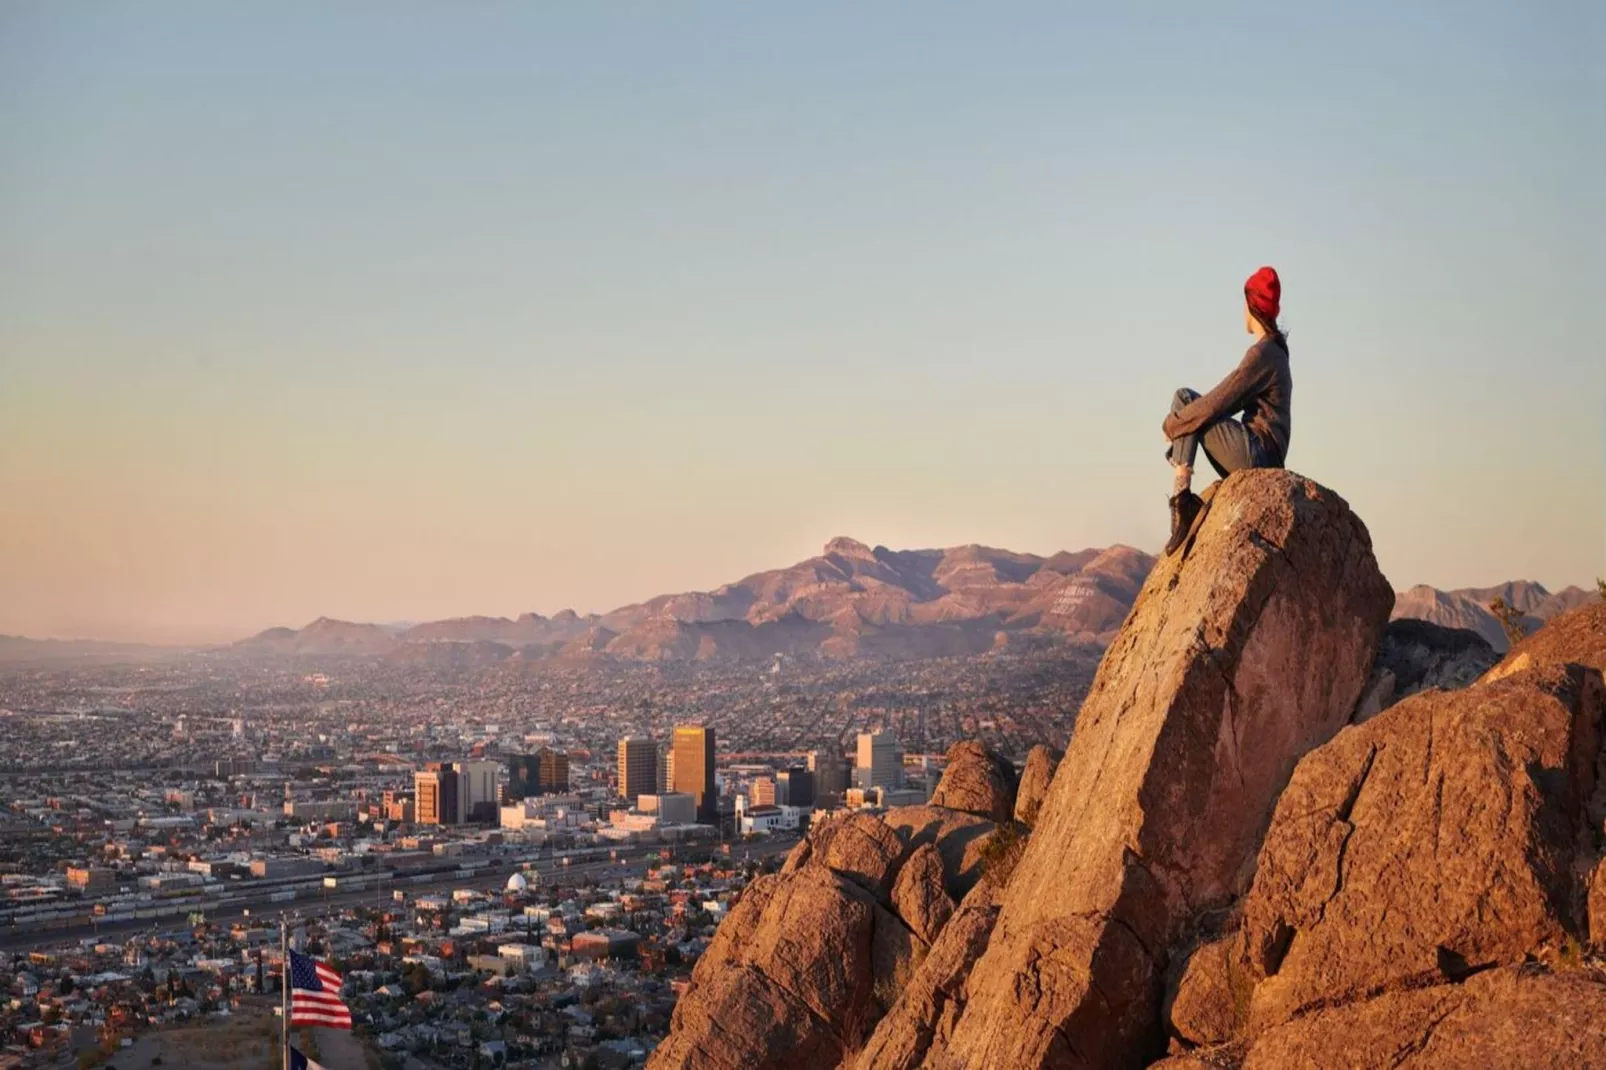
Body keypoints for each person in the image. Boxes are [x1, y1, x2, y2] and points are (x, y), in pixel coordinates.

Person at [1161, 266, 1292, 555]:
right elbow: (1225, 403)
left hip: (1258, 455)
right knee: (1191, 409)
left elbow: (1219, 401)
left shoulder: (1263, 353)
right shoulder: (1274, 352)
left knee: (1185, 400)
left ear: (1250, 305)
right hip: (1264, 453)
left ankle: (1182, 501)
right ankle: (1184, 504)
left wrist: (1173, 426)